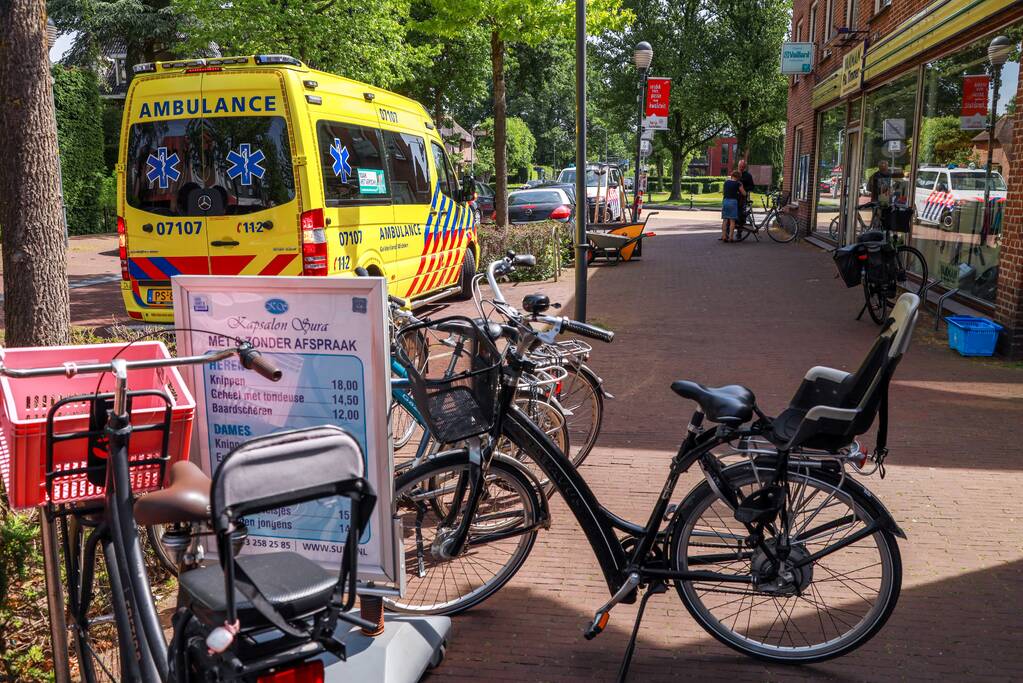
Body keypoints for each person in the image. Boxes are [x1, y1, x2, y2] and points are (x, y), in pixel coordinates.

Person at [721, 170, 745, 242]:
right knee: (732, 221)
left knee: (725, 220)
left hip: (725, 201)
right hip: (733, 202)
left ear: (732, 176)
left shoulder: (726, 182)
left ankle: (724, 236)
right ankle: (731, 237)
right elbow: (743, 193)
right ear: (738, 177)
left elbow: (723, 192)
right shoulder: (738, 183)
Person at [737, 159, 755, 226]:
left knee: (742, 213)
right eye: (739, 166)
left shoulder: (748, 175)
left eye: (742, 166)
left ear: (745, 167)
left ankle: (740, 229)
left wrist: (744, 189)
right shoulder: (735, 174)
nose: (740, 168)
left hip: (743, 198)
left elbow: (752, 186)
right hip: (734, 197)